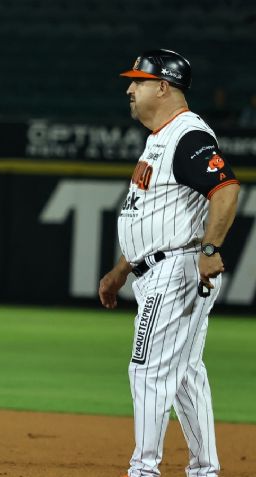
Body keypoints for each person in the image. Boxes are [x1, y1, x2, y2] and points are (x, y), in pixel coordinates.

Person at [99, 49, 240, 477]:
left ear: (163, 87)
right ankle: (204, 469)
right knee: (184, 374)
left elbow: (227, 190)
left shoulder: (188, 136)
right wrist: (123, 268)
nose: (130, 88)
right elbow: (154, 217)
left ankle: (143, 470)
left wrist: (211, 249)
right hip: (157, 268)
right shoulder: (161, 138)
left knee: (146, 369)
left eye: (138, 81)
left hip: (175, 271)